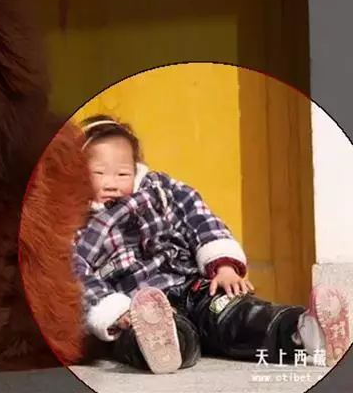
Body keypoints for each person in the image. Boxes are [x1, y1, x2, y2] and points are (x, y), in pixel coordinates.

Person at [73, 114, 350, 374]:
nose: (111, 183)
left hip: (192, 288)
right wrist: (114, 310)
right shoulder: (75, 223)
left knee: (234, 312)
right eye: (99, 173)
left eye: (122, 174)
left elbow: (199, 218)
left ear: (136, 170)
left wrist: (224, 265)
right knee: (135, 335)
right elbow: (76, 274)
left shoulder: (159, 190)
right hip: (139, 305)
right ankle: (163, 346)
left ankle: (304, 330)